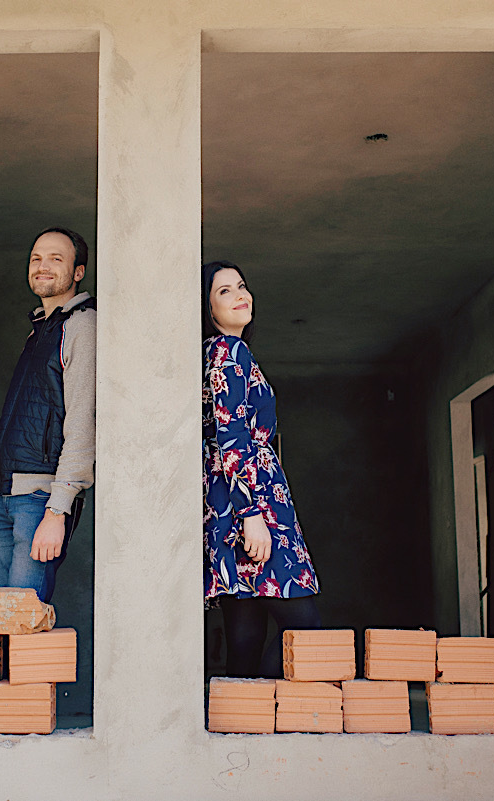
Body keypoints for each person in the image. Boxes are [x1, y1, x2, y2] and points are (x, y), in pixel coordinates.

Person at [202, 260, 321, 678]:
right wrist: (251, 515)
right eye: (223, 291)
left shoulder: (219, 354)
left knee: (245, 637)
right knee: (305, 632)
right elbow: (231, 435)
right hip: (251, 504)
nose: (239, 295)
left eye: (241, 286)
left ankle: (238, 727)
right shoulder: (228, 352)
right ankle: (257, 716)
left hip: (230, 503)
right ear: (207, 309)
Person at [0, 227, 96, 603]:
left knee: (24, 619)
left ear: (78, 272)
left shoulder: (82, 325)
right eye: (36, 258)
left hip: (40, 498)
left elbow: (84, 419)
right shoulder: (40, 329)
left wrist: (59, 509)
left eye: (56, 258)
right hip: (2, 492)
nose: (42, 266)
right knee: (2, 620)